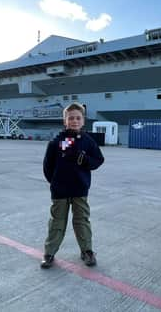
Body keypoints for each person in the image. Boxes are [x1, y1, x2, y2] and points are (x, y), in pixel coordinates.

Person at [40, 102, 104, 269]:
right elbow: (48, 166)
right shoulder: (56, 142)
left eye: (78, 118)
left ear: (83, 121)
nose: (74, 121)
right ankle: (49, 253)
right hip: (60, 190)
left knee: (81, 220)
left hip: (80, 189)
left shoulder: (88, 142)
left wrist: (85, 160)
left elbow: (99, 160)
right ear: (64, 121)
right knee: (57, 222)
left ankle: (87, 251)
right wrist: (54, 182)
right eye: (71, 118)